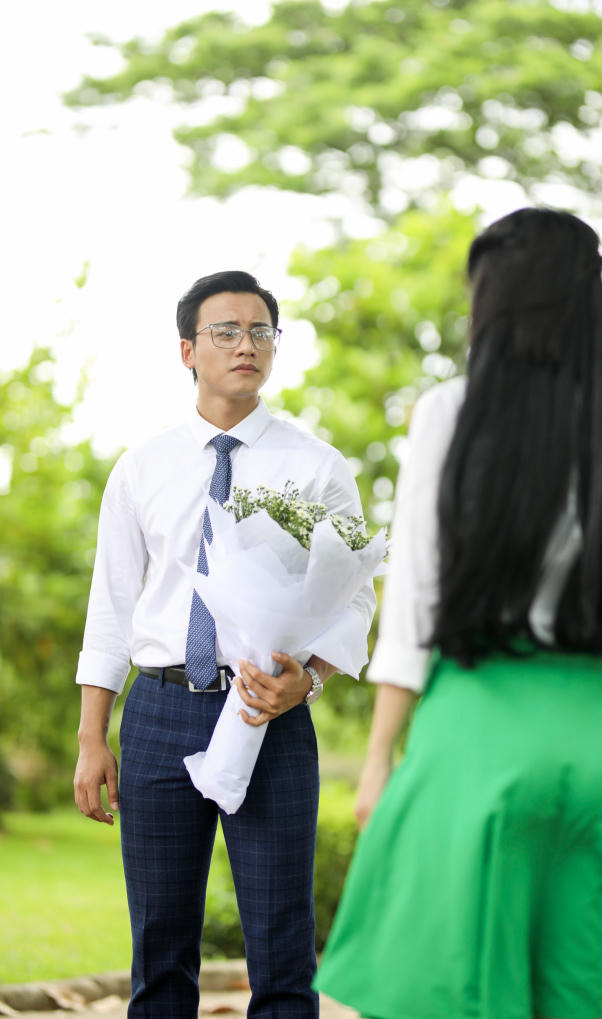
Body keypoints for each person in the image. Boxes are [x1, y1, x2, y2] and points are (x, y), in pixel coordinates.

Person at [315, 208, 602, 1019]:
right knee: (570, 1002)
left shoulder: (452, 413)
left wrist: (378, 761)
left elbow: (415, 601)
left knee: (450, 995)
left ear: (499, 302)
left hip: (481, 731)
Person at [73, 270, 376, 1018]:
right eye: (227, 331)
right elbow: (111, 605)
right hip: (160, 711)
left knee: (281, 946)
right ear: (188, 350)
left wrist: (308, 680)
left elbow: (354, 596)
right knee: (160, 947)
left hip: (270, 711)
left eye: (261, 331)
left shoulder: (317, 466)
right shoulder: (141, 468)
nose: (247, 345)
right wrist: (91, 736)